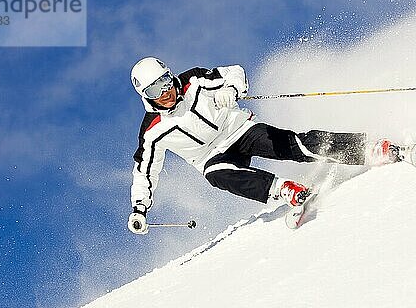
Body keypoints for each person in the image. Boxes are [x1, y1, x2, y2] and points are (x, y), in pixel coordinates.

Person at [127, 57, 401, 234]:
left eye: (165, 81)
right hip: (211, 156)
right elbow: (144, 172)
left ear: (170, 74)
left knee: (293, 146)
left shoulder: (194, 81)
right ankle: (286, 190)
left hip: (238, 128)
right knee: (216, 175)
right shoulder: (153, 130)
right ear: (145, 97)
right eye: (155, 90)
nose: (165, 92)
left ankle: (367, 148)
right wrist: (139, 208)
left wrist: (230, 91)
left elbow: (233, 72)